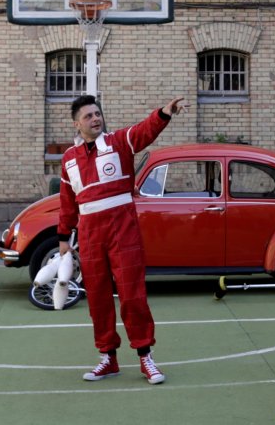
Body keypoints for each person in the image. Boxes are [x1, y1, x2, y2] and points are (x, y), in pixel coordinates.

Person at [58, 93, 186, 385]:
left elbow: (145, 130)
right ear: (76, 124)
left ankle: (145, 357)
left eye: (97, 114)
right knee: (99, 299)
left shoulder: (119, 141)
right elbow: (67, 202)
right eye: (88, 116)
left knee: (132, 295)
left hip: (123, 231)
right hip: (90, 235)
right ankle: (108, 358)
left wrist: (164, 113)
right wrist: (64, 237)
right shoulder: (68, 160)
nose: (95, 119)